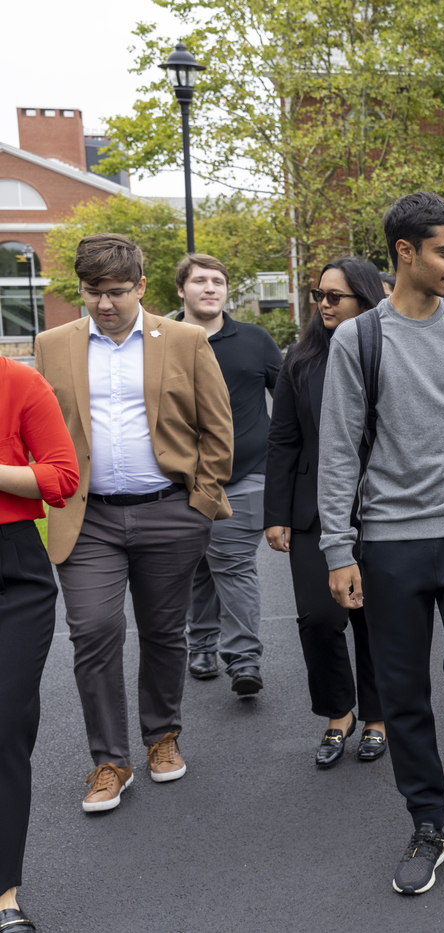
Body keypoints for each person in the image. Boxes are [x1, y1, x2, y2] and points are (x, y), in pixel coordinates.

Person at [318, 192, 444, 895]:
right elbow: (339, 451)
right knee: (404, 693)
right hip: (389, 542)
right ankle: (427, 819)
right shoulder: (360, 339)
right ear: (405, 253)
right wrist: (338, 549)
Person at [35, 233, 233, 813]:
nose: (104, 304)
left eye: (117, 292)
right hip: (87, 516)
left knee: (164, 631)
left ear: (141, 286)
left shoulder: (186, 339)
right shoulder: (52, 344)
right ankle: (109, 761)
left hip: (170, 511)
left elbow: (216, 428)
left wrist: (201, 498)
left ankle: (162, 736)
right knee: (94, 630)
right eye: (93, 293)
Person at [264, 257, 387, 768]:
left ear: (364, 298)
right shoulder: (301, 359)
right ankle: (339, 713)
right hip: (314, 513)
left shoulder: (388, 351)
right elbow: (283, 440)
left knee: (376, 622)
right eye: (319, 295)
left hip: (384, 509)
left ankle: (378, 717)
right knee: (319, 618)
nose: (323, 304)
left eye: (335, 296)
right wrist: (276, 513)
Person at [176, 254, 282, 695]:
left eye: (218, 281)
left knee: (231, 561)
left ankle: (243, 658)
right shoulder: (161, 338)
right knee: (198, 563)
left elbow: (289, 400)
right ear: (181, 289)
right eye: (199, 281)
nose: (210, 288)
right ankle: (200, 644)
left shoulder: (256, 340)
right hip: (178, 479)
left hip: (247, 476)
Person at [0, 357, 79, 933]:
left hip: (13, 573)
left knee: (6, 724)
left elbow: (61, 478)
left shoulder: (20, 382)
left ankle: (4, 898)